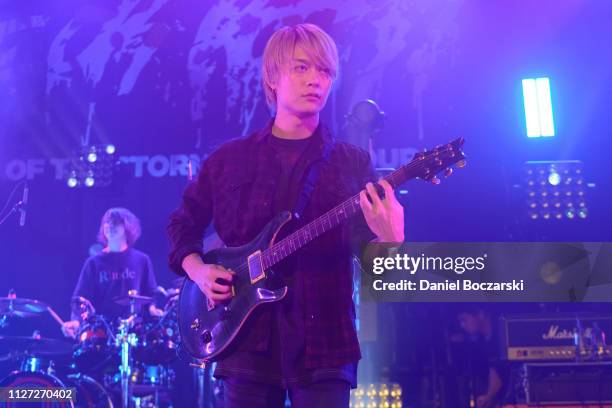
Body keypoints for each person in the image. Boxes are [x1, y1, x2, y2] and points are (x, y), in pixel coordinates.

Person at [167, 23, 405, 407]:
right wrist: (199, 270)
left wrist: (391, 239)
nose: (316, 80)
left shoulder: (352, 162)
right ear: (273, 78)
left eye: (325, 71)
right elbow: (182, 224)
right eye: (301, 68)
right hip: (244, 341)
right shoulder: (229, 159)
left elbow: (376, 269)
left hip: (325, 344)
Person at [62, 207, 162, 338]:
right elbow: (81, 299)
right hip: (102, 334)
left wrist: (153, 309)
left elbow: (151, 294)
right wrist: (76, 321)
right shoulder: (93, 263)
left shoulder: (141, 260)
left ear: (128, 228)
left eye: (115, 223)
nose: (110, 226)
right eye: (107, 222)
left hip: (135, 332)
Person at [456, 306, 507, 408]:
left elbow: (501, 369)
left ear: (480, 315)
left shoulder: (503, 334)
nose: (462, 325)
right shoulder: (482, 341)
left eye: (465, 320)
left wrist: (489, 396)